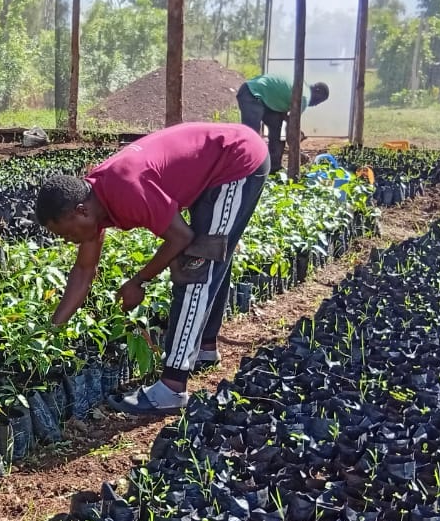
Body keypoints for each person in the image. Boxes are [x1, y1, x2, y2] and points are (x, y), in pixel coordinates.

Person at [35, 122, 269, 417]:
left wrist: (139, 280)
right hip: (214, 168)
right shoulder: (94, 201)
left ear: (80, 211)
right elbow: (84, 271)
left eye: (67, 234)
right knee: (209, 259)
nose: (70, 241)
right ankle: (205, 350)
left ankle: (172, 388)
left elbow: (181, 237)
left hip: (236, 161)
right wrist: (50, 331)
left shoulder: (125, 188)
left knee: (195, 267)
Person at [237, 74, 328, 170]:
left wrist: (292, 127)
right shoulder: (304, 97)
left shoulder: (302, 85)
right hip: (252, 93)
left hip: (264, 98)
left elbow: (286, 116)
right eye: (319, 101)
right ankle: (247, 168)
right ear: (317, 91)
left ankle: (274, 167)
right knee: (252, 134)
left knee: (276, 127)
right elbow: (291, 129)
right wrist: (297, 152)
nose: (316, 105)